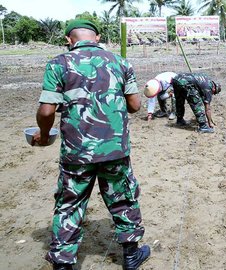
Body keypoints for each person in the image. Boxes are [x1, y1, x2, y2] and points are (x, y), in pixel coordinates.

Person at [32, 20, 150, 270]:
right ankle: (131, 255)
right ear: (97, 37)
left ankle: (63, 263)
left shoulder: (58, 64)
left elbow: (45, 111)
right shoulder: (121, 63)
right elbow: (135, 106)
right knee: (123, 198)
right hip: (114, 150)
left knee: (69, 203)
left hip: (76, 152)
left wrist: (43, 135)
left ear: (68, 39)